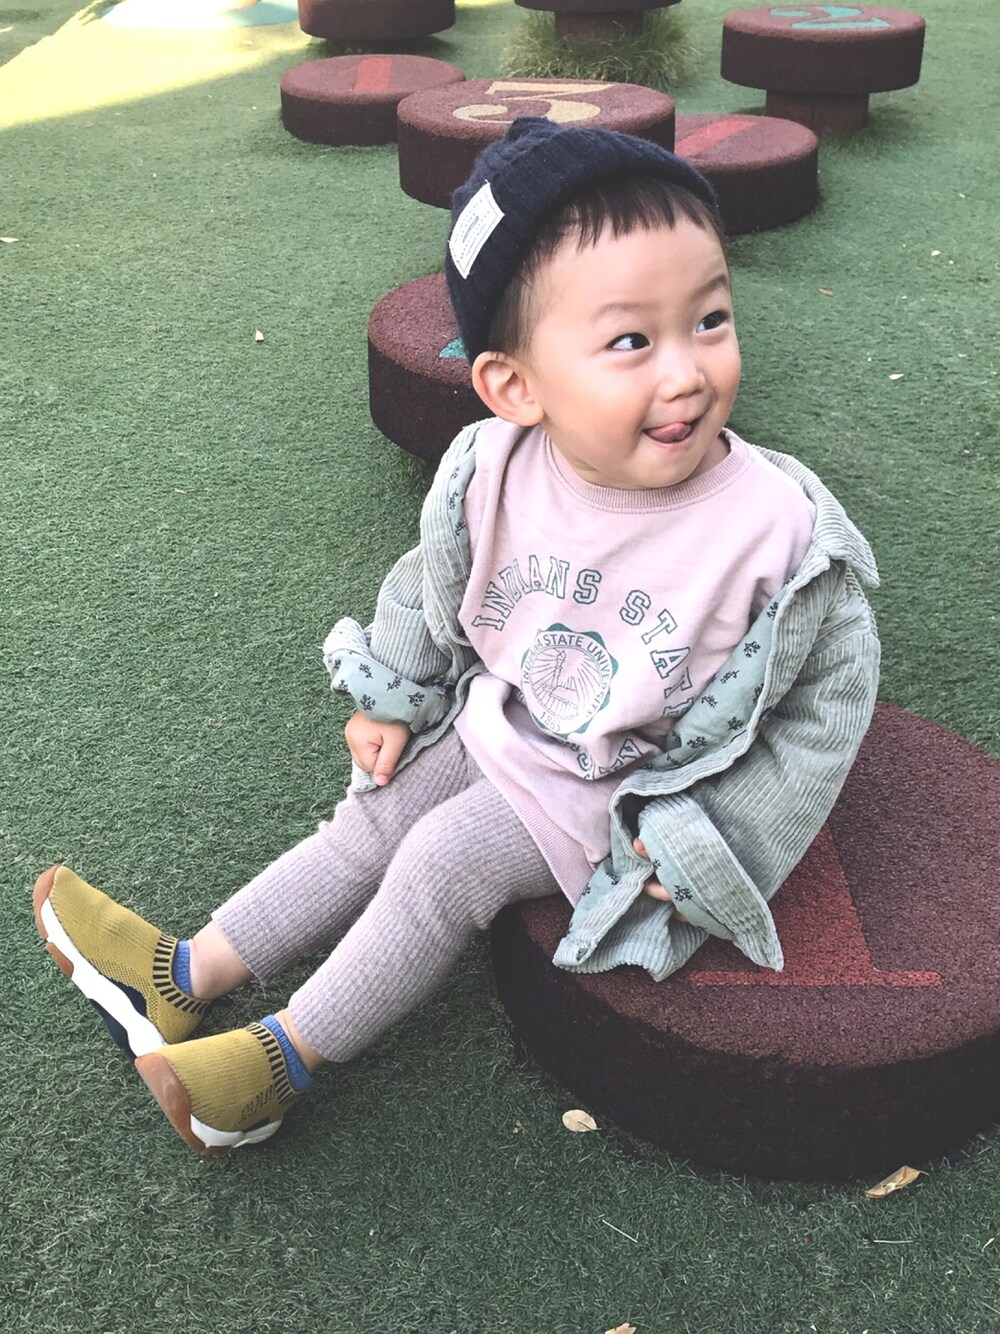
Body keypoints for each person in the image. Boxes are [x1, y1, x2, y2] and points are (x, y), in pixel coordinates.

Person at [33, 117, 880, 1156]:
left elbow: (825, 707)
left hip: (620, 787)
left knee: (439, 862)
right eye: (630, 340)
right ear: (515, 386)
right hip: (502, 723)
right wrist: (396, 690)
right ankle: (180, 975)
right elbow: (430, 578)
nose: (686, 373)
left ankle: (277, 1063)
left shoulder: (776, 531)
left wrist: (718, 837)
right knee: (371, 821)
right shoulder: (494, 468)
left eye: (709, 319)